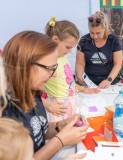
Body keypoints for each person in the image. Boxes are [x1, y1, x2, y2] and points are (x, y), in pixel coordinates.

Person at [2, 31, 88, 160]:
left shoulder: (34, 91)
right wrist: (60, 141)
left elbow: (40, 129)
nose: (53, 74)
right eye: (49, 68)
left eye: (55, 67)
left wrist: (61, 125)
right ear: (25, 66)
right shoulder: (5, 113)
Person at [42, 17, 99, 122]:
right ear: (55, 40)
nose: (69, 51)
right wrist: (48, 105)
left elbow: (66, 82)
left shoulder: (62, 57)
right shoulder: (47, 61)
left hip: (70, 105)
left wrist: (82, 89)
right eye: (68, 47)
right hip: (57, 109)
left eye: (71, 48)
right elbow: (29, 92)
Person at [75, 11, 123, 88]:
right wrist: (80, 75)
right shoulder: (84, 40)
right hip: (89, 83)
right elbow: (80, 63)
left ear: (105, 29)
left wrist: (108, 80)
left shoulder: (114, 40)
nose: (95, 37)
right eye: (92, 33)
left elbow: (117, 64)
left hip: (111, 83)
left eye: (98, 33)